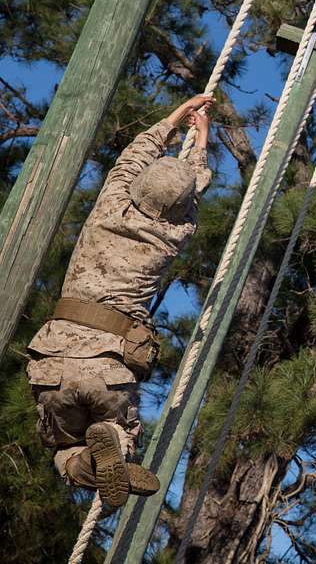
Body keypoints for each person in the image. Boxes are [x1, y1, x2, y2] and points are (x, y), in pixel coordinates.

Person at [25, 95, 214, 507]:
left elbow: (132, 158)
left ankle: (90, 463)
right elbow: (194, 190)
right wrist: (201, 142)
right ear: (178, 211)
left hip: (54, 358)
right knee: (100, 432)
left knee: (62, 441)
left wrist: (174, 118)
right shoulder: (172, 237)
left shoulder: (110, 206)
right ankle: (110, 443)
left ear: (136, 188)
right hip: (107, 366)